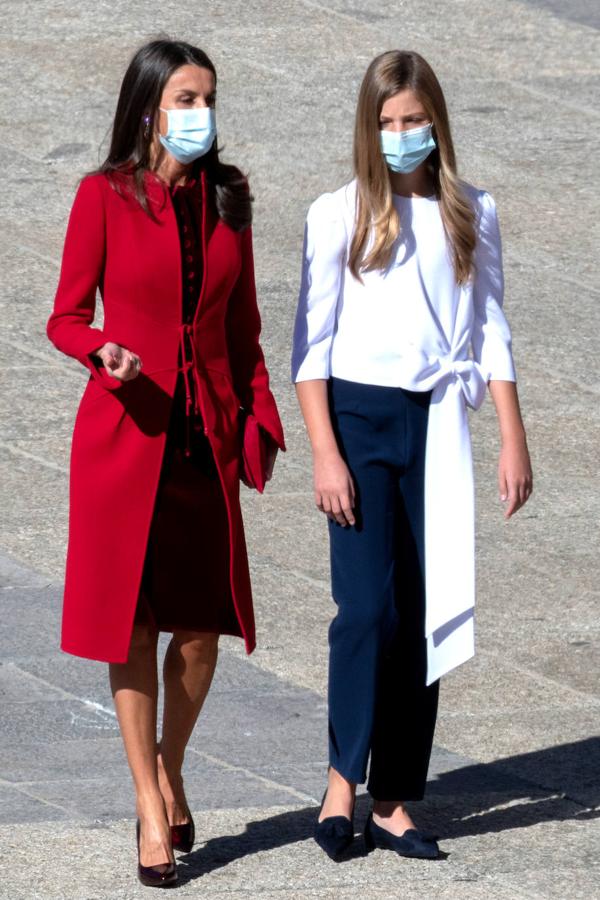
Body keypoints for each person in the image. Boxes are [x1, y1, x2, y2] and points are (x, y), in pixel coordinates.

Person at [47, 39, 284, 887]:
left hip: (202, 439)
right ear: (150, 107)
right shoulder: (101, 197)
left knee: (201, 629)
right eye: (186, 97)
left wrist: (259, 417)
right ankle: (150, 803)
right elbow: (66, 316)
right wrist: (101, 350)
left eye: (209, 98)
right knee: (133, 627)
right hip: (126, 438)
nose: (201, 113)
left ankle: (169, 760)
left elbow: (245, 326)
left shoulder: (230, 199)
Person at [292, 49, 532, 861]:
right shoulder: (339, 213)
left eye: (414, 121)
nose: (401, 136)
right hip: (358, 423)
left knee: (422, 615)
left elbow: (490, 326)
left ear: (436, 122)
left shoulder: (473, 210)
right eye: (387, 123)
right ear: (370, 127)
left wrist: (511, 435)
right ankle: (339, 782)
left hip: (436, 421)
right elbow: (310, 347)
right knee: (366, 608)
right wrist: (326, 453)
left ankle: (392, 798)